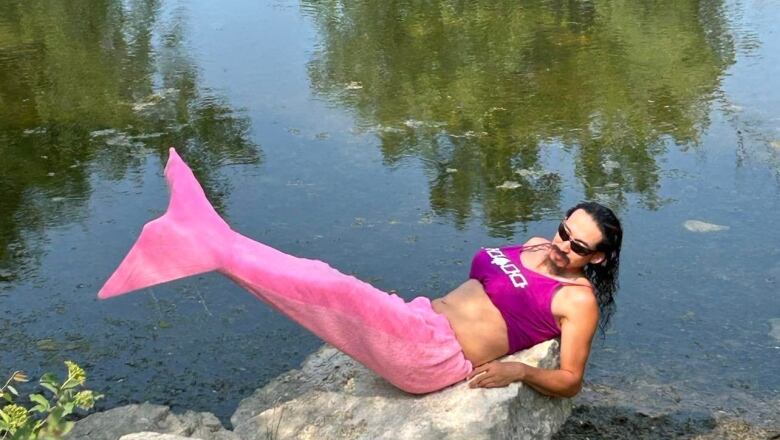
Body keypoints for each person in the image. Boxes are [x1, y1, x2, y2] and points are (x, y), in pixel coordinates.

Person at [99, 149, 622, 398]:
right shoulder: (535, 246)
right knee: (317, 274)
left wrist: (523, 372)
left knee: (332, 287)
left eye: (577, 246)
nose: (561, 245)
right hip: (418, 320)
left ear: (596, 259)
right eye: (562, 230)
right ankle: (213, 241)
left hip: (436, 355)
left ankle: (210, 243)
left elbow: (572, 380)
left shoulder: (578, 301)